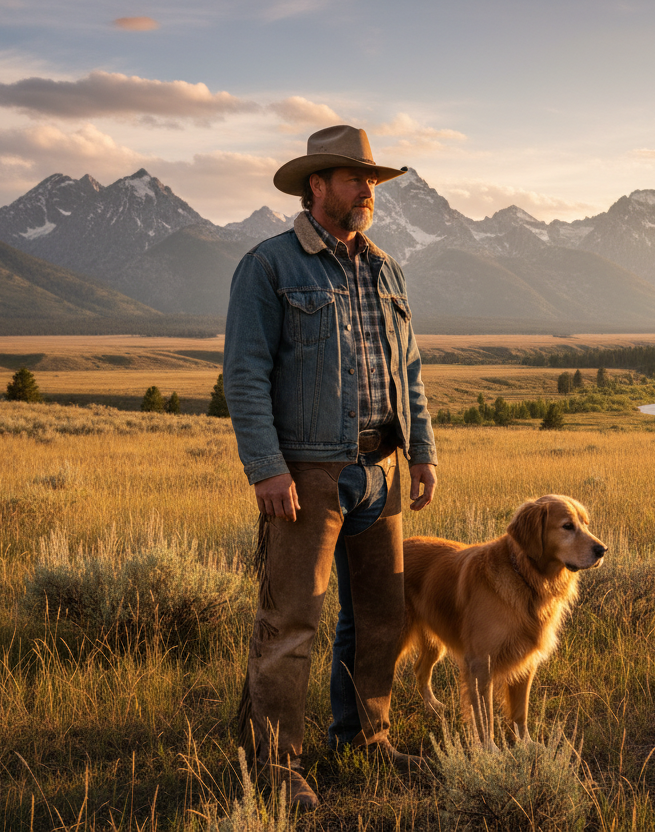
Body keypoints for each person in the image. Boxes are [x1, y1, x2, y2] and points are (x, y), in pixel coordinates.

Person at [223, 125, 438, 809]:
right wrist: (266, 467)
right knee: (292, 622)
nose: (368, 189)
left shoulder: (386, 269)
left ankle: (365, 738)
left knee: (379, 618)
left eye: (372, 179)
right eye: (354, 177)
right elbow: (245, 374)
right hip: (309, 474)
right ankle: (275, 768)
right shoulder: (270, 266)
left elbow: (410, 370)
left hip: (383, 469)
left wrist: (423, 450)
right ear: (316, 185)